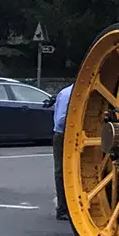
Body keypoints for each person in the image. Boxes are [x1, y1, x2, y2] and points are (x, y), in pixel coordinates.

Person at [51, 83, 73, 221]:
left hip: (62, 133)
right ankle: (63, 208)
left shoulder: (64, 92)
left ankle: (64, 207)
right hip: (65, 134)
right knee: (62, 171)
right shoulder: (68, 94)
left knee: (62, 171)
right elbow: (61, 121)